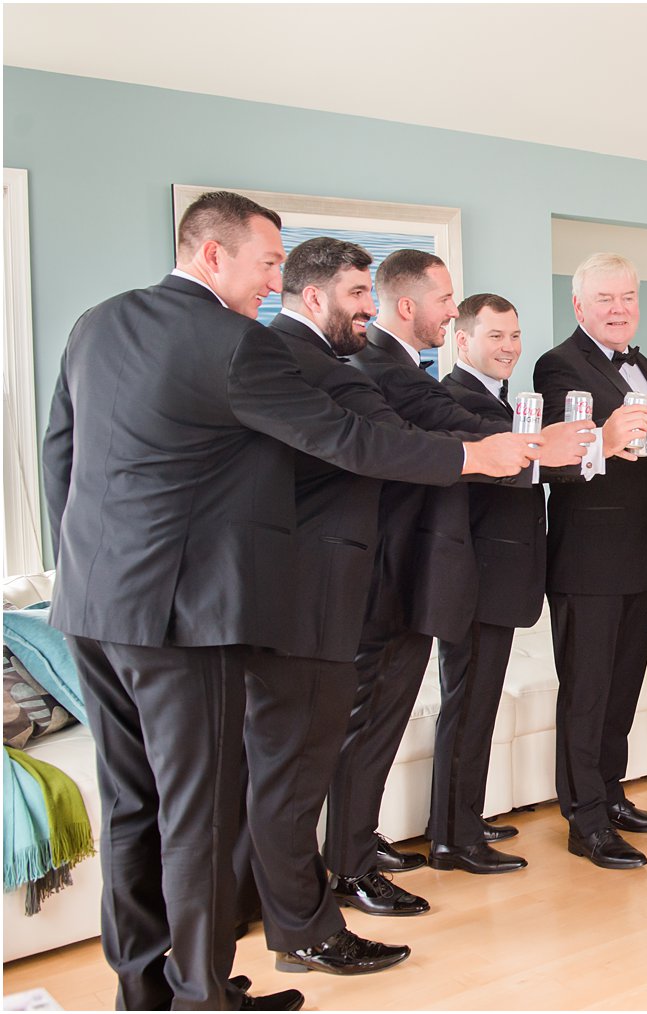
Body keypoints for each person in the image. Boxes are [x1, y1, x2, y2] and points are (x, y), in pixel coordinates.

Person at [41, 191, 532, 1010]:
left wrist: (83, 563)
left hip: (92, 604)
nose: (275, 280)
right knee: (195, 815)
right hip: (182, 618)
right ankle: (201, 996)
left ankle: (144, 991)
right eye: (268, 261)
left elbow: (62, 452)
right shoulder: (236, 345)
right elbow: (346, 438)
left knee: (133, 805)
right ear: (211, 256)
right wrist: (474, 458)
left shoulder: (98, 322)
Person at [326, 250, 591, 913]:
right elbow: (459, 430)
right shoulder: (386, 369)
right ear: (409, 305)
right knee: (369, 725)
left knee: (377, 723)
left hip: (406, 572)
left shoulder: (401, 367)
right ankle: (350, 866)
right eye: (447, 301)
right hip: (390, 575)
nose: (453, 309)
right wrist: (543, 445)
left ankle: (357, 845)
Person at [245, 237, 418, 976]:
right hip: (306, 592)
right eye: (357, 293)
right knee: (294, 773)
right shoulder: (295, 357)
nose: (368, 308)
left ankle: (285, 920)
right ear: (313, 297)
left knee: (287, 771)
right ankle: (307, 934)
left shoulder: (297, 356)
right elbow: (378, 443)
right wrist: (483, 454)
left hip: (310, 589)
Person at [428, 292, 612, 872]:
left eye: (514, 335)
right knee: (468, 706)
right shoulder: (455, 399)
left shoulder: (501, 399)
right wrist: (600, 441)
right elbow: (519, 464)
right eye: (494, 337)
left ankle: (459, 819)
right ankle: (453, 841)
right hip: (476, 580)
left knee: (477, 705)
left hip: (503, 580)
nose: (508, 347)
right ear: (462, 340)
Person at [533, 253, 647, 869]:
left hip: (643, 554)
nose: (619, 309)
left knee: (621, 690)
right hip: (588, 561)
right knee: (586, 695)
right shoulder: (557, 365)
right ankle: (583, 819)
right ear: (579, 306)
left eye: (627, 297)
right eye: (606, 299)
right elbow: (559, 459)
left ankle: (611, 795)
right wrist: (607, 438)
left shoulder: (640, 363)